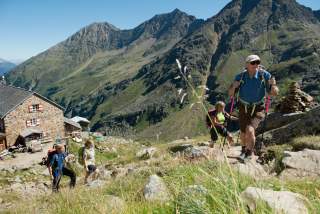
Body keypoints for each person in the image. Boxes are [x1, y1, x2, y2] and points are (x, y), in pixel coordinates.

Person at [228, 55, 279, 163]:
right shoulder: (240, 77)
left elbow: (273, 93)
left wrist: (273, 85)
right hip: (243, 107)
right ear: (247, 64)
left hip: (258, 107)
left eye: (257, 62)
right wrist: (234, 86)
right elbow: (231, 94)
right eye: (253, 63)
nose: (256, 65)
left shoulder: (264, 75)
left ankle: (249, 153)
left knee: (250, 130)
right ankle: (243, 150)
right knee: (242, 132)